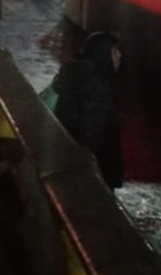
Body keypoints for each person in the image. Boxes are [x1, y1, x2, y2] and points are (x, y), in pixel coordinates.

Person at [52, 31, 125, 190]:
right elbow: (91, 134)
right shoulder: (96, 84)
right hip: (91, 177)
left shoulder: (81, 75)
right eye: (115, 51)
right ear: (104, 53)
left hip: (71, 165)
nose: (120, 56)